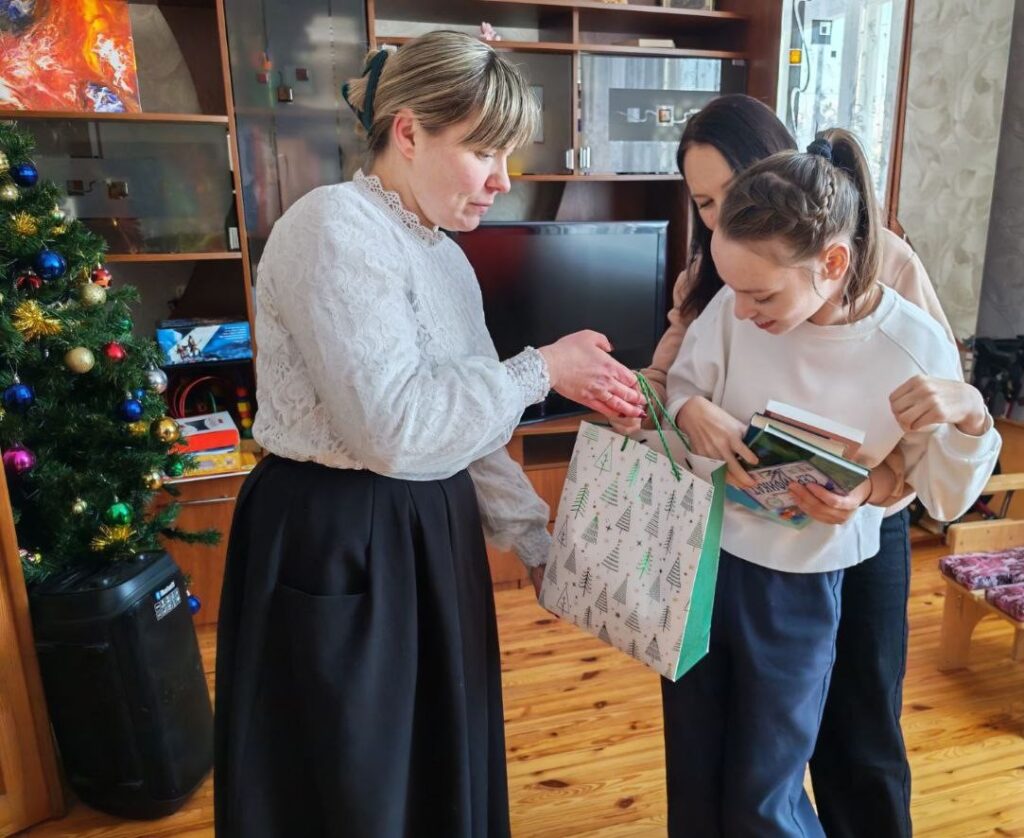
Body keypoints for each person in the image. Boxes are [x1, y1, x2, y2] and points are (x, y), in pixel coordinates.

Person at [213, 31, 644, 838]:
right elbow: (395, 431)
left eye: (508, 155)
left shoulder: (444, 255)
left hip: (430, 529)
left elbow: (469, 429)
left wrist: (535, 540)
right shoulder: (334, 226)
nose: (503, 181)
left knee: (435, 758)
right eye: (483, 151)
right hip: (339, 535)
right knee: (355, 777)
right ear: (407, 132)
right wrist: (542, 369)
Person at [612, 95, 987, 837]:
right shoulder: (729, 291)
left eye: (730, 194)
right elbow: (678, 376)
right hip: (713, 556)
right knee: (705, 758)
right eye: (705, 205)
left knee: (830, 752)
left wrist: (907, 462)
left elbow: (936, 480)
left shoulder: (898, 313)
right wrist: (680, 407)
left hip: (821, 569)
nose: (719, 215)